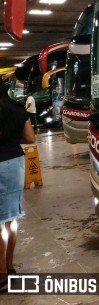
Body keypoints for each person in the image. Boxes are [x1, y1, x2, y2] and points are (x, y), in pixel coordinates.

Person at [0, 83, 35, 293]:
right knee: (10, 218)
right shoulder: (17, 109)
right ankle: (9, 268)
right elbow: (30, 138)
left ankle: (1, 277)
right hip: (14, 163)